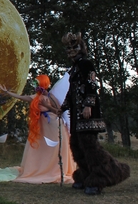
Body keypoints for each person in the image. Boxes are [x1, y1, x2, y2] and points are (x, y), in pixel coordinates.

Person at [58, 32, 130, 195]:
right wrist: (62, 108)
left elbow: (91, 84)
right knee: (77, 146)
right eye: (68, 48)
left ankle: (103, 175)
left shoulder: (86, 64)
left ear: (81, 48)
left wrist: (88, 105)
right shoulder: (74, 68)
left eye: (74, 47)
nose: (71, 50)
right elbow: (71, 91)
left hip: (87, 114)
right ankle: (85, 176)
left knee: (90, 147)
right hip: (76, 116)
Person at [0, 75, 76, 184]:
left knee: (56, 146)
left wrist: (46, 105)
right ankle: (42, 167)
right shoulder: (36, 96)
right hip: (43, 124)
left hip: (52, 123)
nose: (34, 85)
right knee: (42, 147)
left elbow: (58, 111)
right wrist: (7, 92)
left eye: (36, 83)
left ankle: (56, 169)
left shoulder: (51, 96)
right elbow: (22, 97)